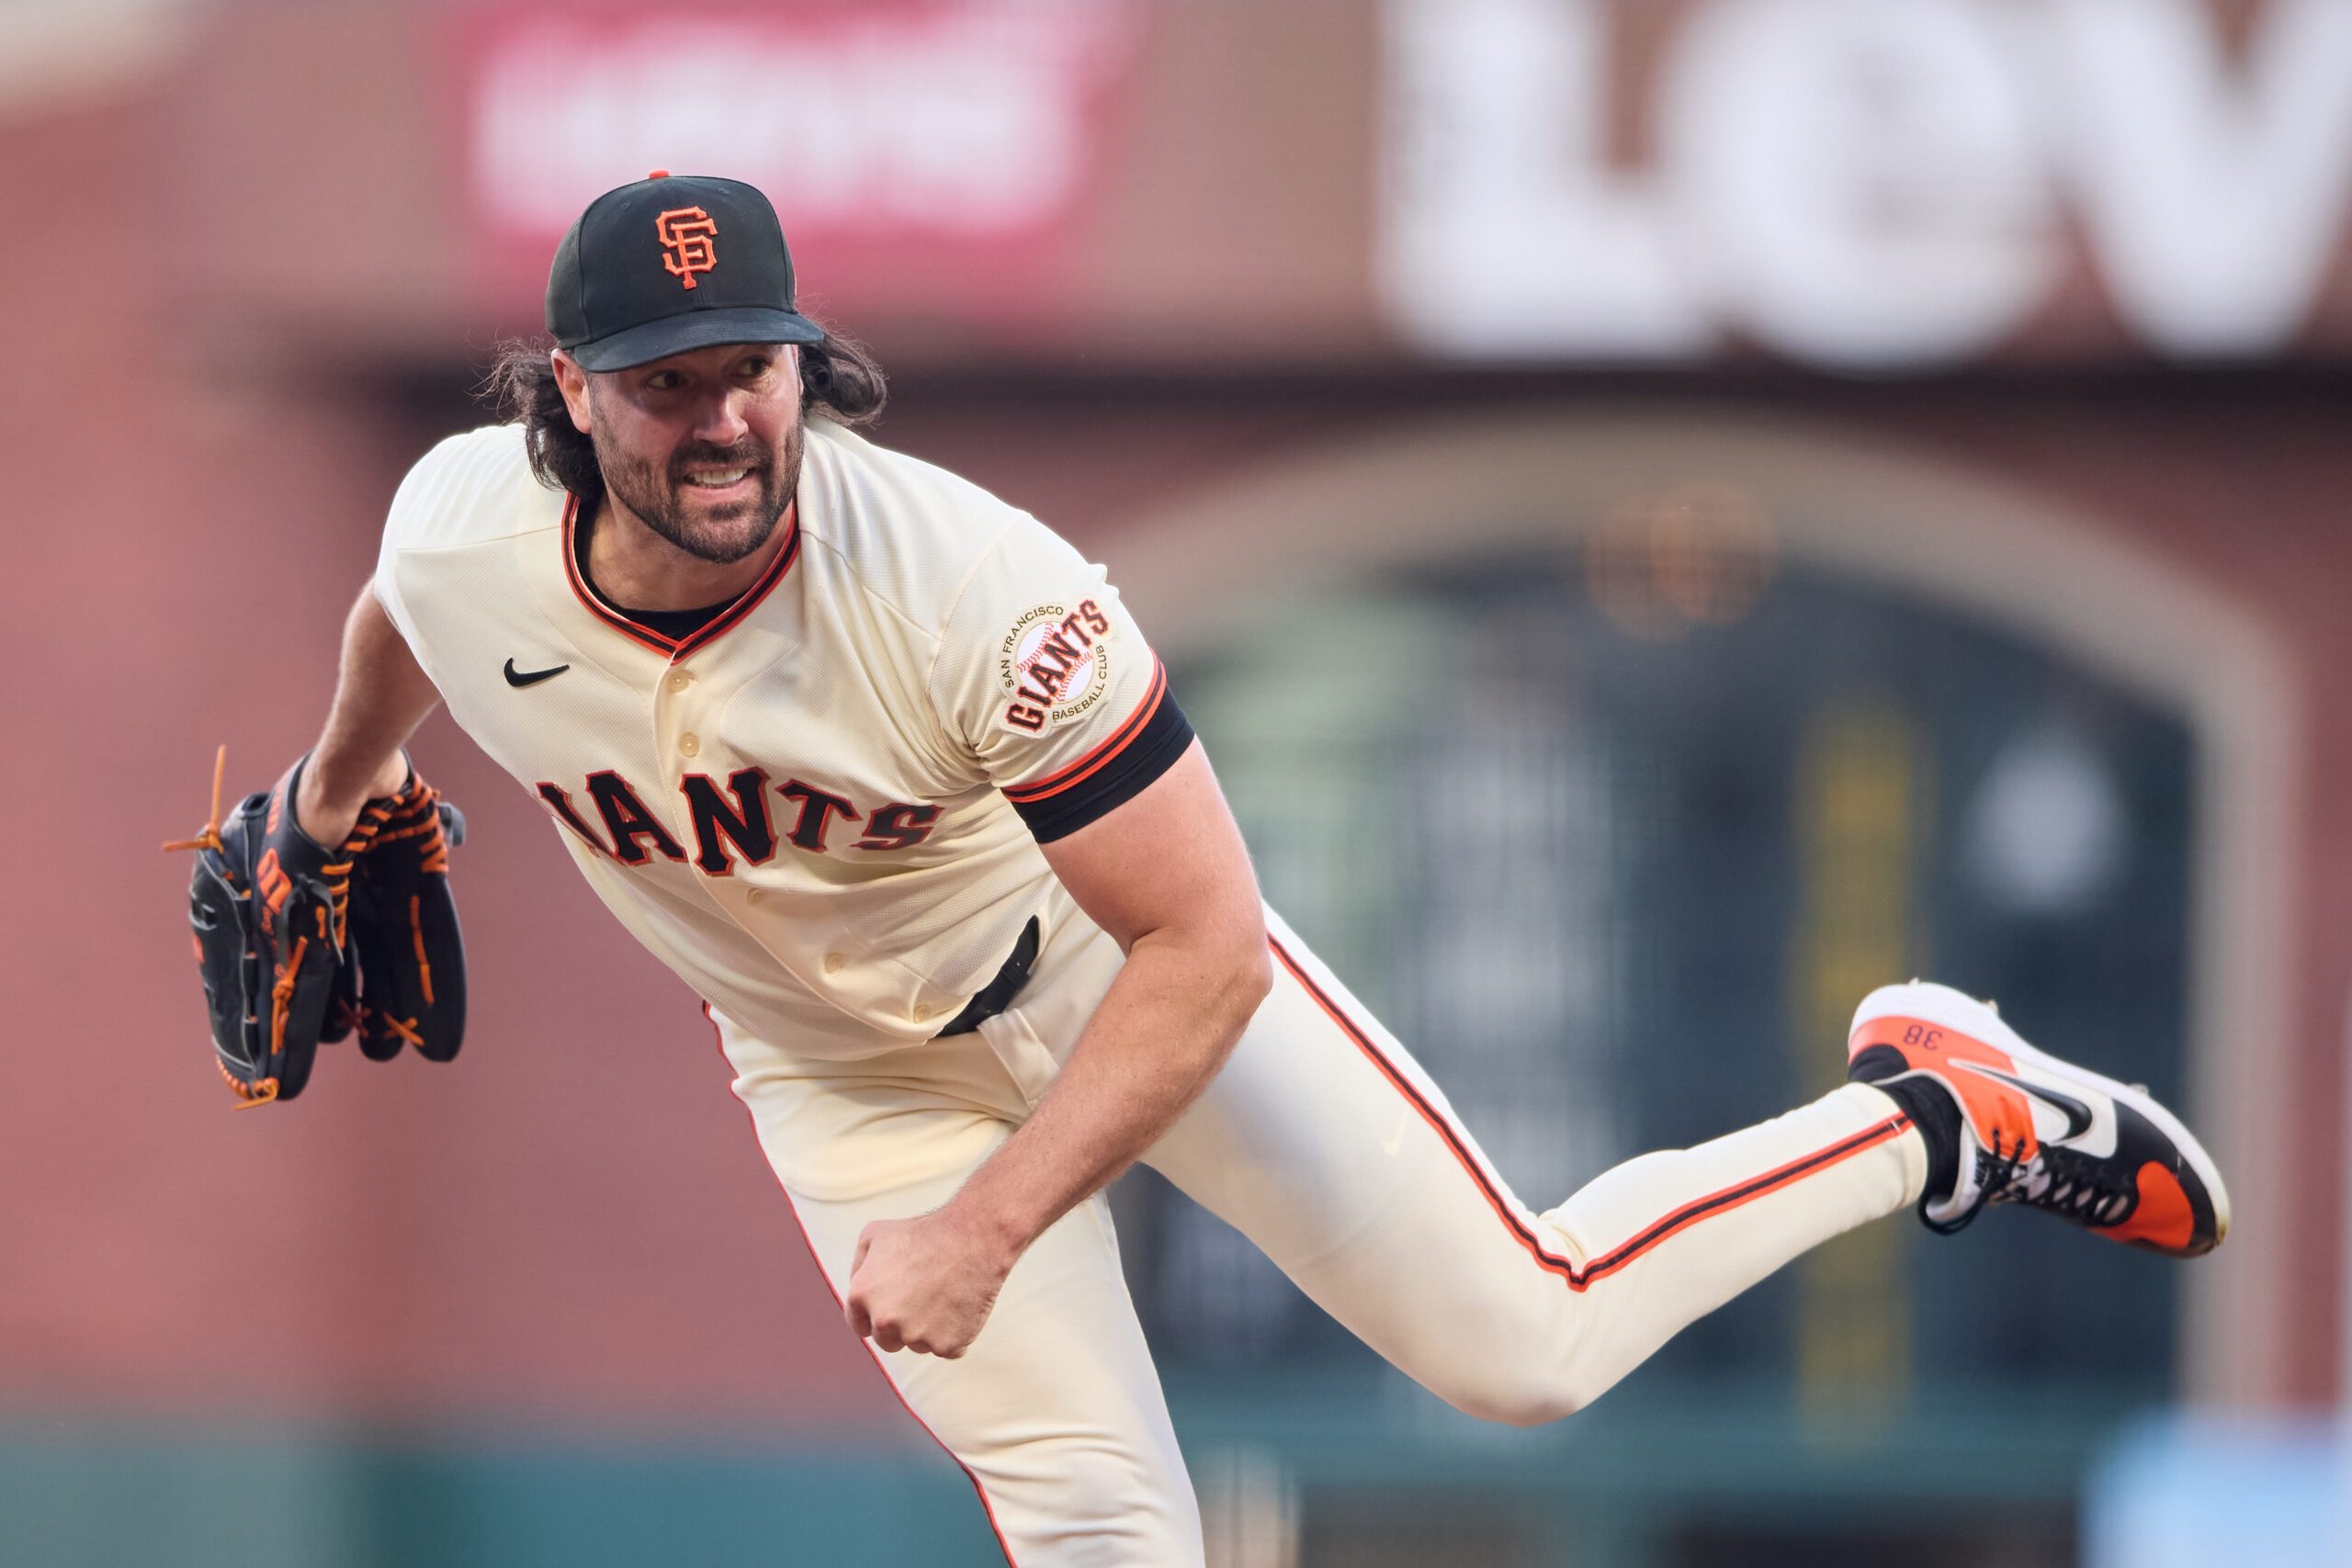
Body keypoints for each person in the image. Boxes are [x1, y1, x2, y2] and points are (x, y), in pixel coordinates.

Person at [285, 172, 2228, 1565]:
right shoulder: (465, 528)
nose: (719, 416)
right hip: (841, 1075)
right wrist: (324, 807)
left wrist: (987, 1222)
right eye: (662, 377)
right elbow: (401, 622)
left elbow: (1199, 947)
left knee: (1521, 1344)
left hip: (1099, 981)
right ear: (563, 385)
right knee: (1103, 1532)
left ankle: (1932, 1109)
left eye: (751, 365)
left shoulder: (977, 589)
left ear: (806, 362)